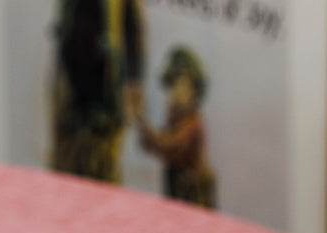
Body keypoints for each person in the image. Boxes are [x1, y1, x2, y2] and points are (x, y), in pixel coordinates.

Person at [50, 0, 146, 184]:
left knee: (102, 166)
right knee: (70, 165)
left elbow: (132, 31)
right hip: (73, 89)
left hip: (105, 91)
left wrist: (134, 79)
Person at [137, 45, 217, 210]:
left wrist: (144, 129)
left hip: (192, 197)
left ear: (194, 89)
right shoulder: (176, 118)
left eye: (182, 85)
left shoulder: (192, 123)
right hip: (177, 193)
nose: (176, 91)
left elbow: (171, 146)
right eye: (173, 85)